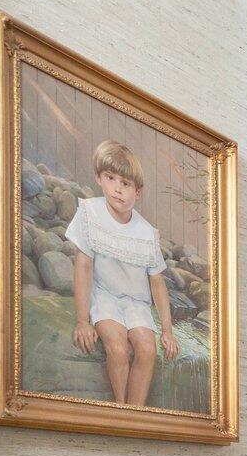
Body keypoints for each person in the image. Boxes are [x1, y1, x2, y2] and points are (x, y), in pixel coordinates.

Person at [67, 139, 177, 406]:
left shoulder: (146, 233)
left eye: (126, 184)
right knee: (117, 347)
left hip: (136, 303)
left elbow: (157, 283)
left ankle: (135, 410)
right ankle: (120, 407)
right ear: (99, 178)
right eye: (111, 178)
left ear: (137, 193)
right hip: (105, 296)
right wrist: (83, 320)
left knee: (147, 349)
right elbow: (83, 266)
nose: (118, 189)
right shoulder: (90, 213)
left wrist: (167, 330)